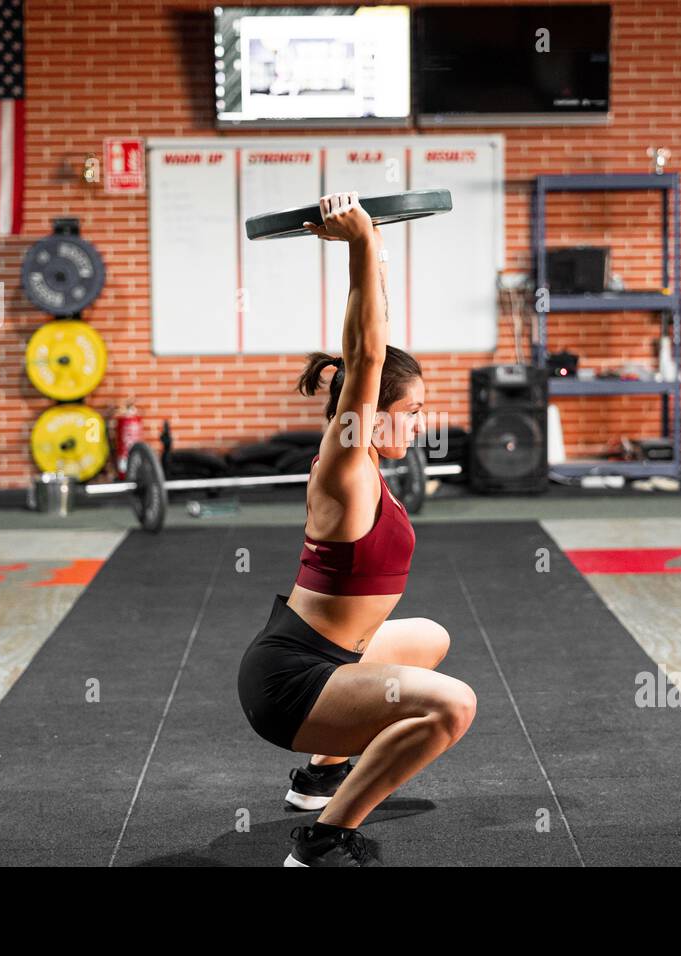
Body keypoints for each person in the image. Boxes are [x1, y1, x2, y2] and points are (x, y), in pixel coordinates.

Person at [236, 192, 477, 866]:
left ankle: (318, 779)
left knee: (430, 638)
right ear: (371, 414)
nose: (421, 423)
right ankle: (322, 839)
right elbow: (367, 355)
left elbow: (372, 345)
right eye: (415, 410)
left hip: (324, 659)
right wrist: (361, 244)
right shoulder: (346, 468)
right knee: (452, 707)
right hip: (288, 685)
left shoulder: (368, 456)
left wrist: (369, 252)